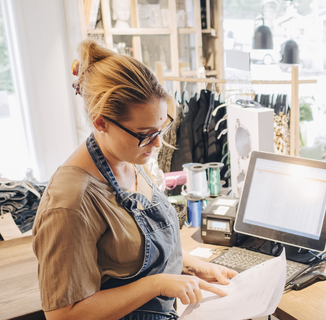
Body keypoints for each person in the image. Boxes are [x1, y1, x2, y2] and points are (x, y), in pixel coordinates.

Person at [32, 39, 238, 320]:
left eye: (161, 128)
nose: (156, 144)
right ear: (100, 122)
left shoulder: (129, 159)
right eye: (145, 134)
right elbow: (63, 315)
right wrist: (157, 284)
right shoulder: (71, 203)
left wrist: (189, 265)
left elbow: (128, 255)